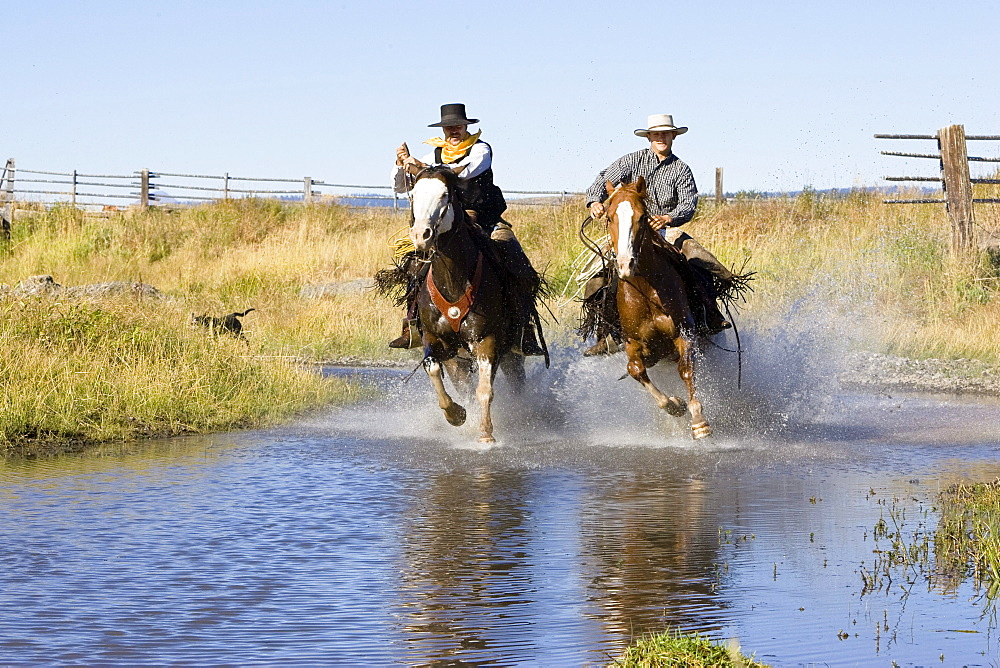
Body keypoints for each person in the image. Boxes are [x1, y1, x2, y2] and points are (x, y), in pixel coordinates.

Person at [387, 103, 545, 357]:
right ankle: (412, 325)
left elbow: (467, 171)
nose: (453, 130)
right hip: (444, 226)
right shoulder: (434, 155)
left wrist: (419, 166)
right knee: (412, 266)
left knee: (518, 262)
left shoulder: (480, 149)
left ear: (465, 127)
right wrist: (402, 165)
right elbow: (400, 187)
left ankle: (523, 329)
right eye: (448, 126)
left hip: (486, 220)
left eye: (457, 126)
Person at [582, 113, 735, 356]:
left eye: (665, 133)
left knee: (699, 263)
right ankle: (608, 333)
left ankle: (710, 315)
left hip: (665, 230)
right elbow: (602, 180)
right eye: (656, 134)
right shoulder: (631, 161)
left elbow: (688, 204)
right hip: (629, 229)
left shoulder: (681, 169)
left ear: (673, 136)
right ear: (649, 137)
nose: (660, 138)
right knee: (598, 278)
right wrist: (594, 202)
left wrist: (668, 217)